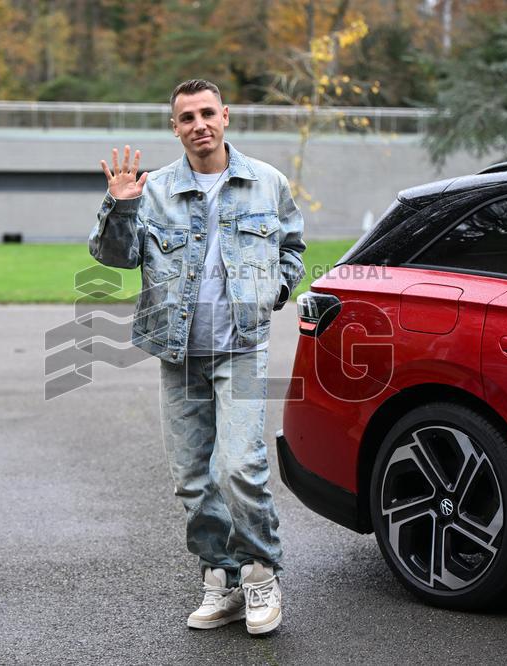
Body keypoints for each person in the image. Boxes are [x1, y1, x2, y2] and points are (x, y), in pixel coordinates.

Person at [88, 79, 306, 635]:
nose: (198, 124)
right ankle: (220, 576)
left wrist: (273, 292)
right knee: (191, 478)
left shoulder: (267, 183)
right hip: (178, 351)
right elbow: (115, 257)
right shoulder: (153, 188)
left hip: (241, 347)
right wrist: (120, 204)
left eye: (207, 112)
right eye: (186, 117)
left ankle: (260, 573)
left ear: (226, 116)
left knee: (239, 466)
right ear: (175, 128)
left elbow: (293, 248)